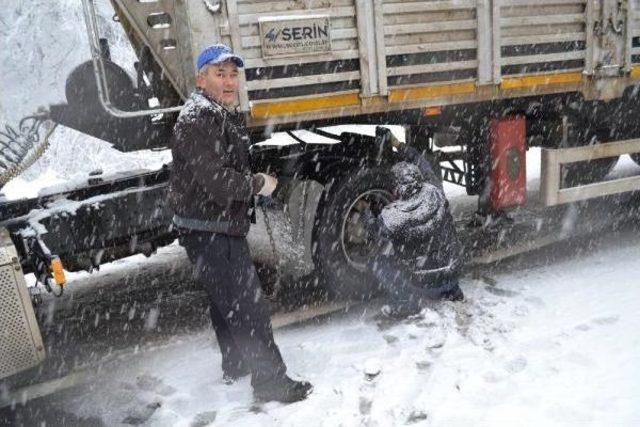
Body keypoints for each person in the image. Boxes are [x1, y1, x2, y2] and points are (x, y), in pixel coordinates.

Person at [168, 44, 312, 403]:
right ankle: (270, 381)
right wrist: (259, 184)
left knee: (225, 301)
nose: (230, 81)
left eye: (234, 74)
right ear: (202, 79)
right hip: (209, 227)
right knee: (248, 306)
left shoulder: (218, 112)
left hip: (209, 226)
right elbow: (217, 181)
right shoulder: (198, 118)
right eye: (220, 73)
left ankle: (235, 363)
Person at [362, 132, 465, 317]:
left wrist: (365, 210)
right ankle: (452, 292)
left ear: (397, 189)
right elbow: (422, 162)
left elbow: (372, 229)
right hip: (451, 276)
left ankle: (406, 302)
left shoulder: (393, 215)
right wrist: (400, 145)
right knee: (448, 247)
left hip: (424, 286)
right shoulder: (436, 191)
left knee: (377, 262)